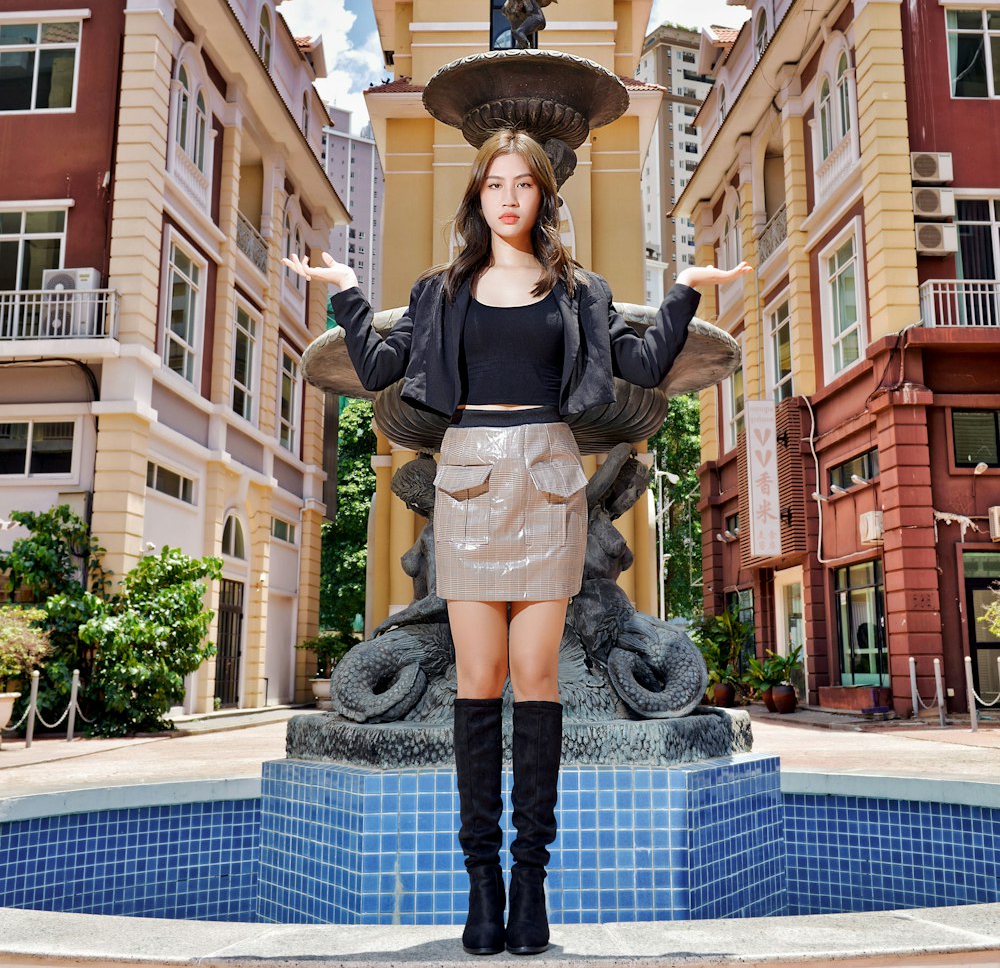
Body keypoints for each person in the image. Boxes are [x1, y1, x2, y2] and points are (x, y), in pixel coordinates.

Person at [283, 128, 750, 957]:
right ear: (478, 196)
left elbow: (640, 360)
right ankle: (482, 883)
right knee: (478, 677)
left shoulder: (579, 291)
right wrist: (349, 290)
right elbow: (383, 363)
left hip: (547, 478)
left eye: (522, 183)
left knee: (535, 677)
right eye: (494, 182)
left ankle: (531, 879)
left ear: (541, 196)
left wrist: (683, 291)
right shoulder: (442, 291)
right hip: (466, 479)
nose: (507, 196)